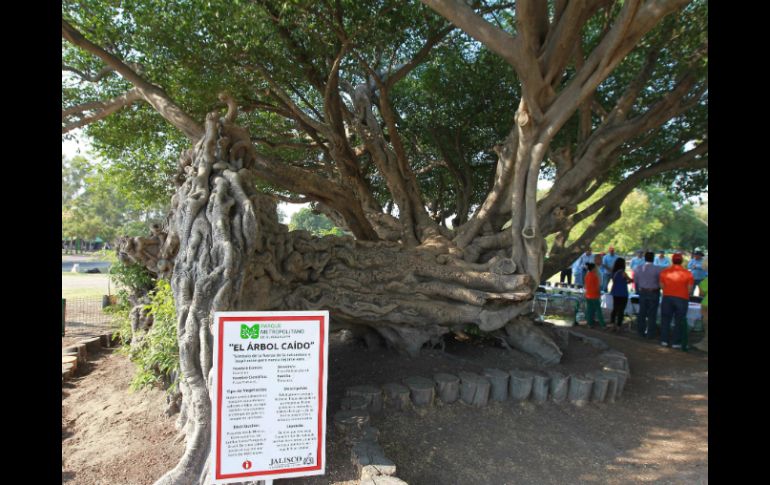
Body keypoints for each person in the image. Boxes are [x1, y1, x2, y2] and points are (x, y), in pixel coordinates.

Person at [659, 253, 694, 349]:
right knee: (679, 321)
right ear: (682, 261)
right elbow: (690, 289)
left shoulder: (664, 272)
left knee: (665, 319)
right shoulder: (688, 273)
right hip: (682, 298)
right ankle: (675, 342)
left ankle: (664, 340)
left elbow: (661, 286)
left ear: (672, 261)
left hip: (667, 297)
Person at [634, 252, 663, 339]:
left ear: (645, 258)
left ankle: (640, 332)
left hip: (642, 291)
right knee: (652, 313)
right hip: (654, 292)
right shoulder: (658, 269)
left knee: (642, 312)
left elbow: (636, 281)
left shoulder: (638, 268)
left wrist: (637, 291)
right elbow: (661, 282)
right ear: (653, 258)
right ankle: (650, 333)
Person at [609, 258, 631, 332]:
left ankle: (612, 324)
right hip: (622, 293)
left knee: (615, 308)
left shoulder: (613, 272)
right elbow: (630, 280)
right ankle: (618, 325)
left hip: (615, 292)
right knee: (621, 310)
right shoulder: (623, 273)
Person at [583, 262, 605, 328]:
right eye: (595, 268)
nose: (596, 268)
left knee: (589, 310)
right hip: (594, 295)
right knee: (598, 310)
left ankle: (589, 323)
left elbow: (586, 285)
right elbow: (597, 287)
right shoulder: (595, 276)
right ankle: (602, 325)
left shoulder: (587, 275)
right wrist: (599, 294)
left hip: (588, 294)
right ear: (593, 268)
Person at [693, 258, 708, 352]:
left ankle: (705, 345)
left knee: (707, 325)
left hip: (706, 305)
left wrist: (699, 285)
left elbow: (701, 293)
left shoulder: (706, 280)